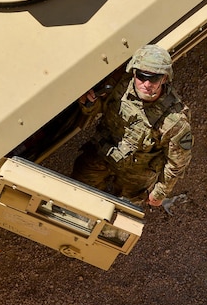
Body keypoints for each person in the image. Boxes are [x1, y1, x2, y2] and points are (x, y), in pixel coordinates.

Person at [72, 44, 193, 207]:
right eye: (142, 76)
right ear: (134, 73)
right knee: (74, 194)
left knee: (122, 215)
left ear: (164, 78)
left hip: (135, 176)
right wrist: (88, 104)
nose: (147, 84)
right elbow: (99, 109)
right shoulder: (119, 87)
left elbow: (176, 164)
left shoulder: (175, 121)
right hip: (102, 154)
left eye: (154, 78)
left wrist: (159, 193)